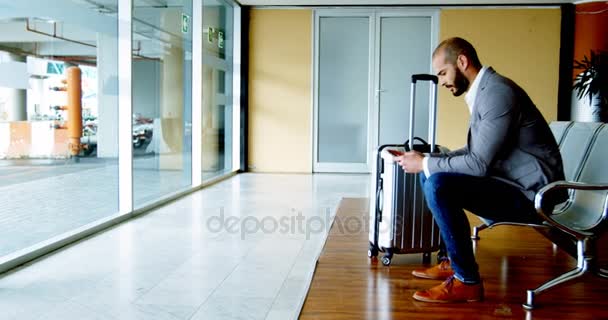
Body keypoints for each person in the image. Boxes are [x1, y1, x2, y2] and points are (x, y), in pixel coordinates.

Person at [394, 37, 566, 303]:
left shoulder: (497, 93)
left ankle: (467, 281)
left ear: (462, 62)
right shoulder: (486, 90)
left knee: (439, 184)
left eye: (443, 73)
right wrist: (428, 159)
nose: (441, 82)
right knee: (430, 173)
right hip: (516, 184)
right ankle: (455, 259)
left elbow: (478, 163)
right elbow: (477, 150)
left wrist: (427, 163)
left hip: (534, 195)